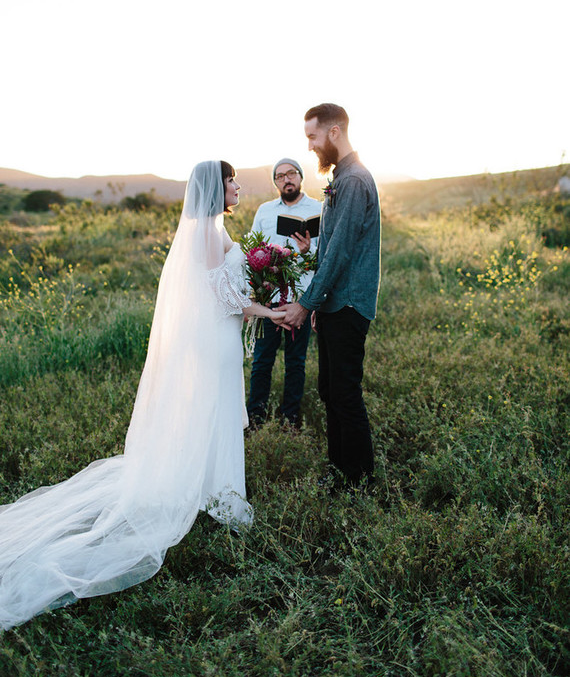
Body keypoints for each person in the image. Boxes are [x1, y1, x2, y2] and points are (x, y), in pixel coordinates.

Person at [0, 161, 286, 631]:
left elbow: (227, 290)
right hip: (217, 340)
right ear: (217, 188)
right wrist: (273, 312)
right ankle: (222, 498)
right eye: (231, 181)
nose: (238, 186)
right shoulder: (210, 235)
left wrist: (264, 286)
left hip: (219, 338)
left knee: (211, 414)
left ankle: (212, 489)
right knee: (212, 414)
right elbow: (227, 299)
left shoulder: (208, 231)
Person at [282, 104, 381, 489]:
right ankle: (340, 471)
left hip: (349, 303)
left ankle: (358, 482)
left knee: (345, 395)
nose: (309, 146)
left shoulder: (354, 181)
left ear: (334, 132)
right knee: (330, 392)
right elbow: (331, 248)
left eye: (313, 137)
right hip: (333, 304)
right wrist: (318, 304)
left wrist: (306, 305)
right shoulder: (341, 178)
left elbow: (340, 250)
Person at [247, 158, 322, 428]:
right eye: (280, 176)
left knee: (296, 362)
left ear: (301, 177)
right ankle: (255, 418)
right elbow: (251, 250)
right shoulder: (265, 211)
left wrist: (306, 250)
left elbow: (325, 257)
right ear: (276, 182)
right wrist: (253, 294)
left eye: (291, 174)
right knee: (261, 361)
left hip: (300, 299)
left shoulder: (318, 209)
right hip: (268, 298)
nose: (286, 179)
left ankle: (290, 419)